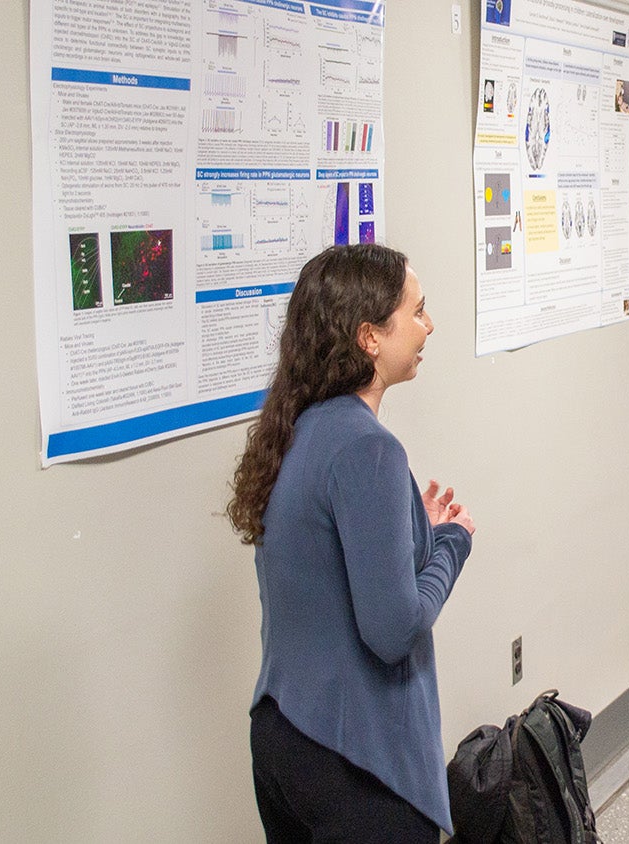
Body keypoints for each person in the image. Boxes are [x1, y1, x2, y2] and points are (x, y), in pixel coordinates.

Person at [228, 244, 475, 842]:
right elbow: (392, 632)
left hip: (284, 737)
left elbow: (324, 560)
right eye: (418, 312)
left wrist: (406, 527)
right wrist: (448, 544)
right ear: (370, 336)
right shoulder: (370, 449)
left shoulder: (296, 427)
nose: (429, 326)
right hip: (355, 759)